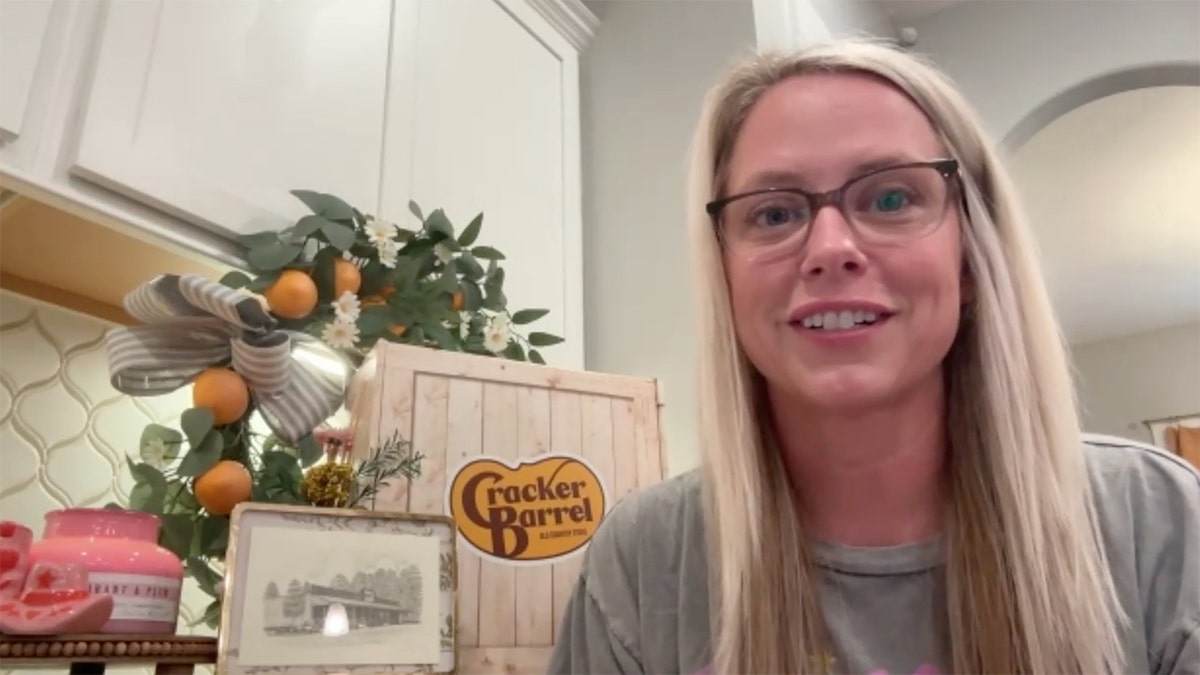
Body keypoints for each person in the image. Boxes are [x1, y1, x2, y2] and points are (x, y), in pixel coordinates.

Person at [547, 38, 1200, 675]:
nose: (830, 247)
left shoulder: (1155, 520)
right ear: (724, 274)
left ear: (972, 257)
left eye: (891, 198)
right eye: (774, 214)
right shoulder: (645, 557)